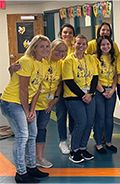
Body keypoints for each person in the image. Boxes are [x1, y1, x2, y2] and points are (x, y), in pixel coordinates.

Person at [1, 35, 50, 183]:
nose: (45, 49)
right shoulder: (26, 61)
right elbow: (23, 90)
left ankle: (31, 167)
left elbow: (37, 89)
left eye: (47, 46)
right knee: (23, 135)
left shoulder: (43, 63)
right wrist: (27, 111)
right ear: (34, 47)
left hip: (27, 102)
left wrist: (31, 109)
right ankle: (21, 173)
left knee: (32, 133)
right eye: (41, 46)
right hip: (12, 102)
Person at [62, 34, 98, 164]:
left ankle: (83, 147)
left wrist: (91, 94)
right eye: (78, 43)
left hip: (89, 96)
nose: (81, 46)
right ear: (73, 45)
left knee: (89, 123)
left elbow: (95, 77)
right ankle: (74, 150)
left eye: (84, 44)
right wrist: (83, 96)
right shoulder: (68, 60)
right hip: (73, 97)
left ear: (87, 46)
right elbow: (69, 81)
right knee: (81, 123)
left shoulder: (91, 59)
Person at [35, 39, 67, 168]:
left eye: (64, 51)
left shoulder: (60, 64)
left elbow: (59, 83)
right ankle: (27, 160)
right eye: (58, 50)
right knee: (31, 132)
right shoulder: (42, 62)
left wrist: (56, 98)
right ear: (51, 49)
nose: (61, 53)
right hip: (34, 102)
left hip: (47, 104)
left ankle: (39, 158)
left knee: (42, 129)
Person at [93, 35, 118, 154]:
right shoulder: (95, 58)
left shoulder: (114, 58)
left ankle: (109, 142)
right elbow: (94, 77)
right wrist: (102, 91)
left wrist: (113, 90)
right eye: (103, 44)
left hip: (111, 92)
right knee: (100, 119)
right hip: (99, 92)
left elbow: (115, 76)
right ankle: (98, 143)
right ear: (99, 46)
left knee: (109, 119)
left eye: (108, 44)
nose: (106, 46)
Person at [57, 23, 76, 154]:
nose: (67, 35)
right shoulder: (56, 48)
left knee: (74, 115)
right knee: (61, 115)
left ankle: (72, 138)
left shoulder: (76, 48)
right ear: (61, 34)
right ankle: (63, 141)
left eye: (70, 32)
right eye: (65, 32)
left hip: (74, 87)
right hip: (60, 87)